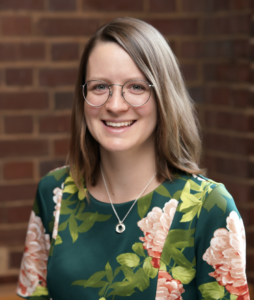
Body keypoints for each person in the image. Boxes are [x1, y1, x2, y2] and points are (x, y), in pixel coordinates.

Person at [16, 17, 249, 300]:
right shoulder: (54, 192)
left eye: (136, 87)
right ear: (83, 97)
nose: (115, 105)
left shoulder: (209, 207)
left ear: (164, 96)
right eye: (100, 87)